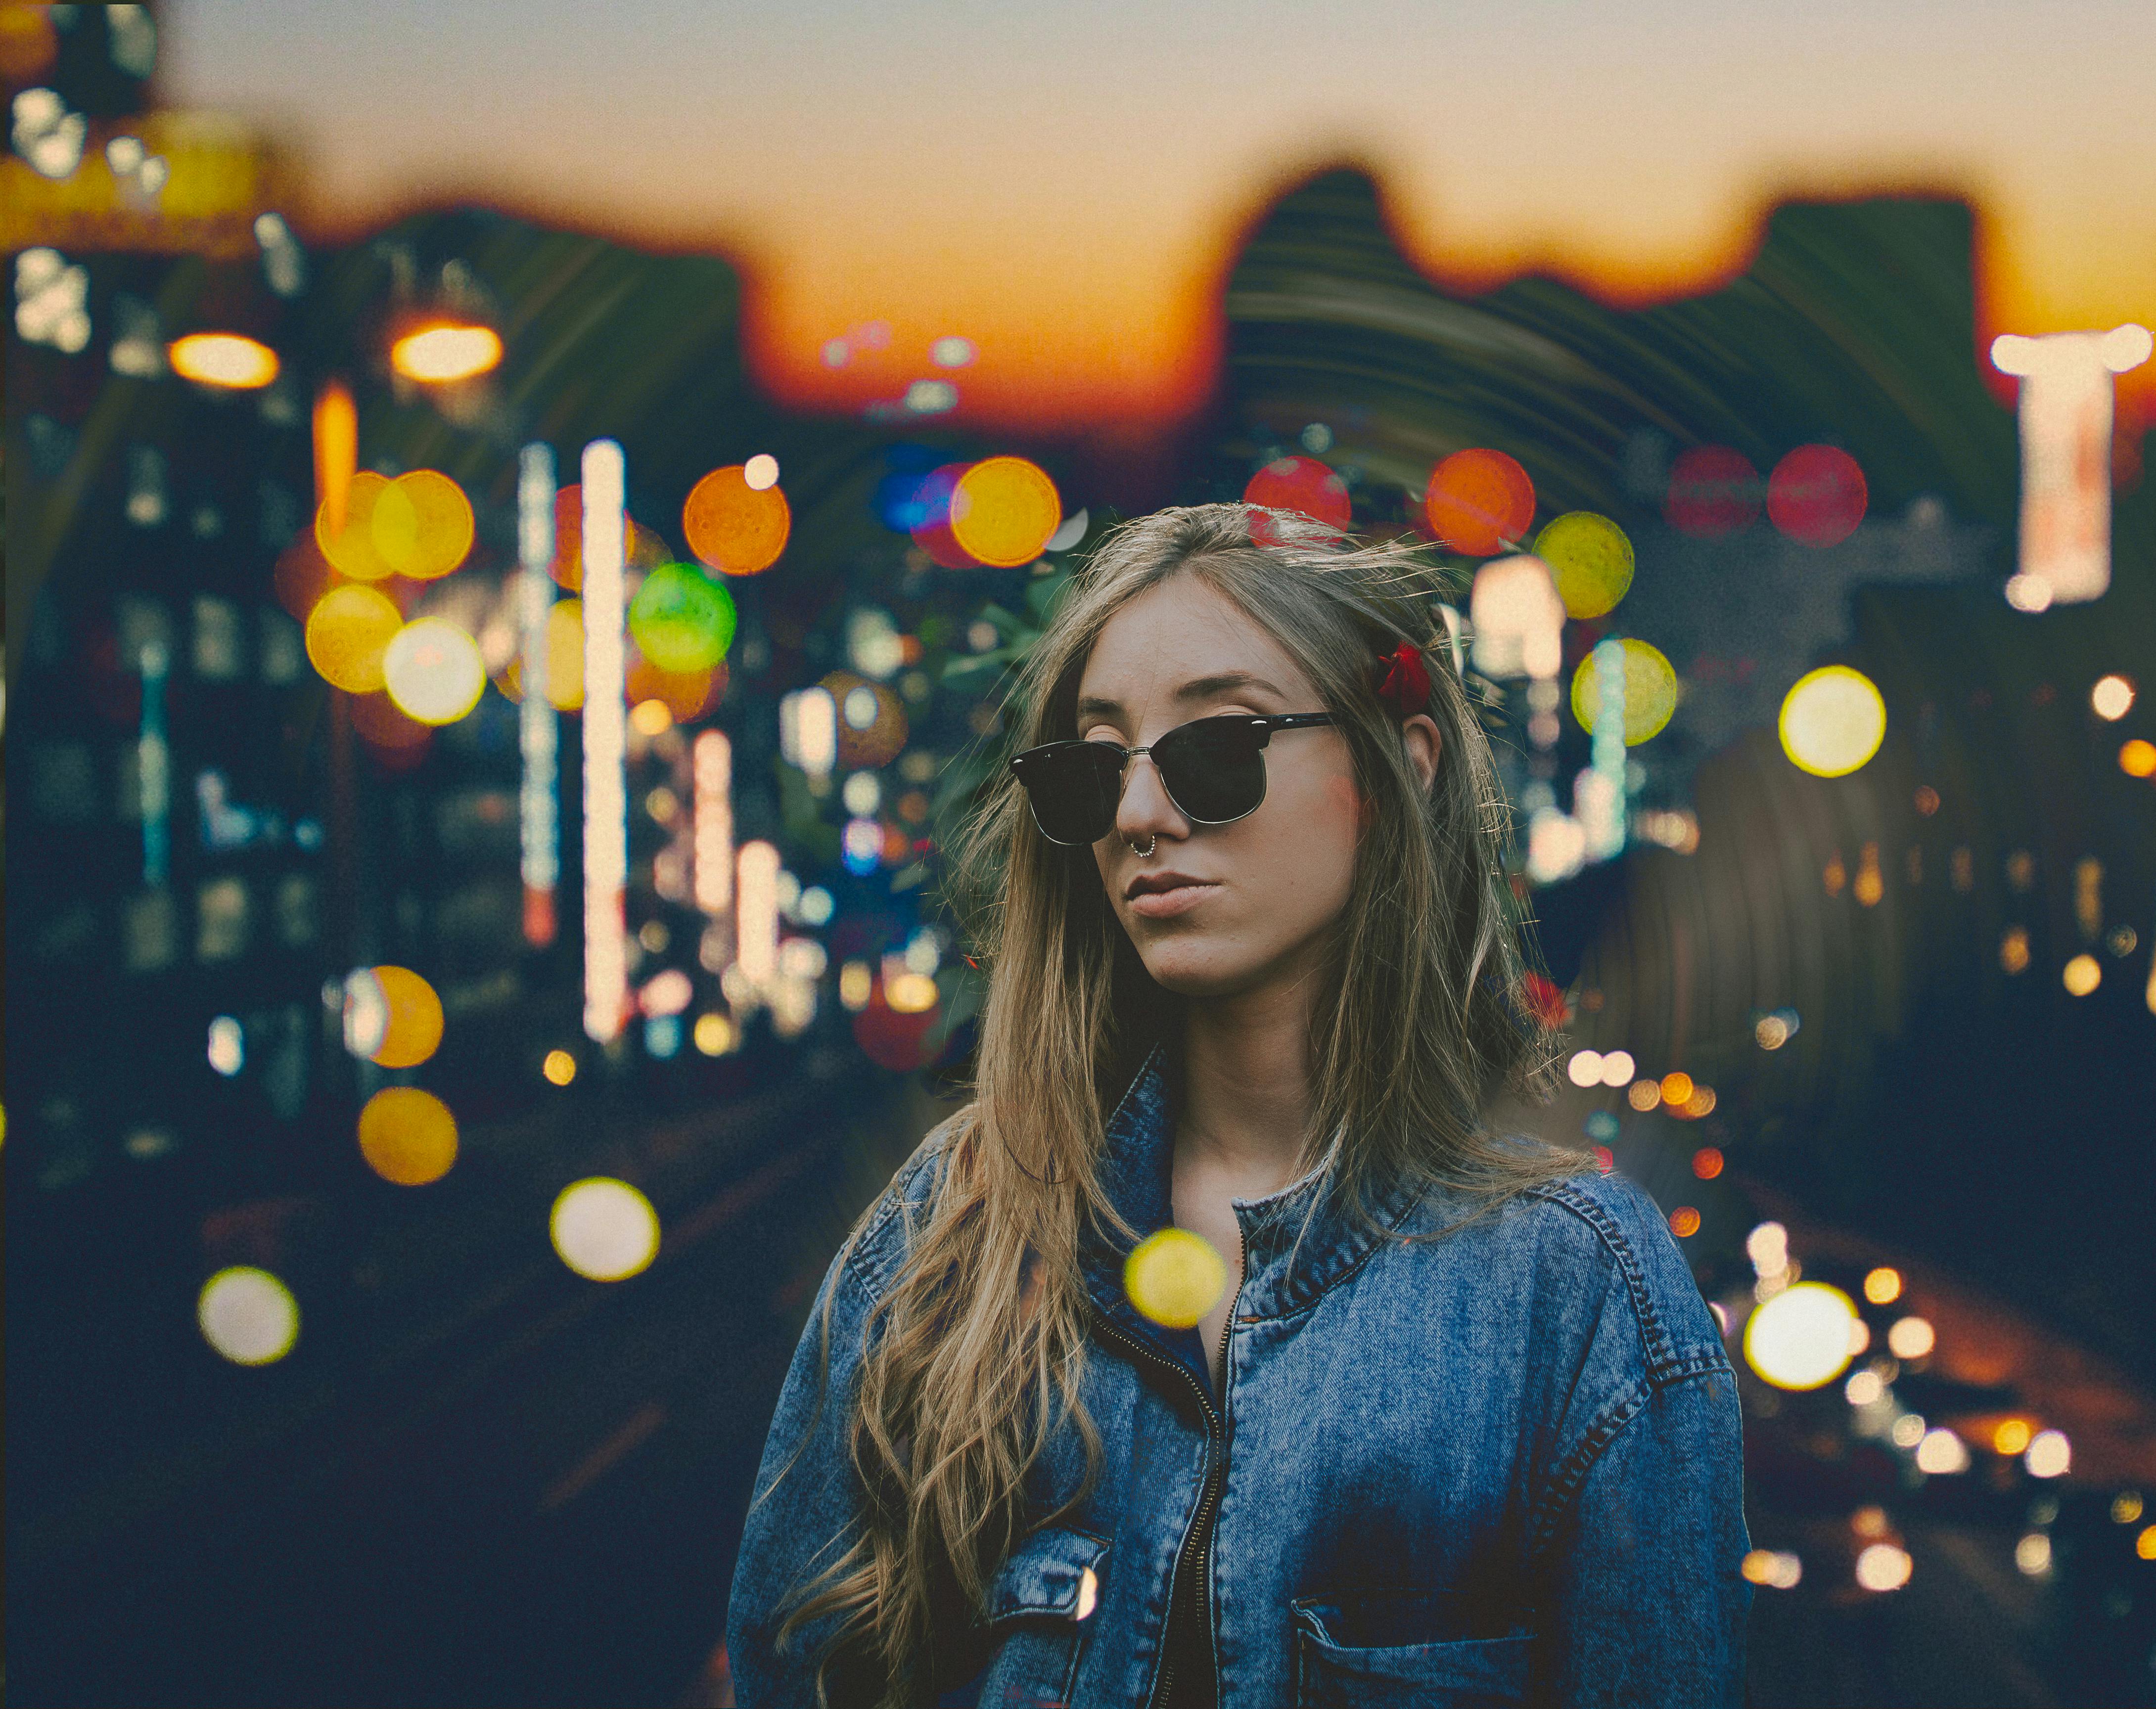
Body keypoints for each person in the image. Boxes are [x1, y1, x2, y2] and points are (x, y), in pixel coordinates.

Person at [726, 503, 1749, 1708]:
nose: (1139, 817)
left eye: (1217, 747)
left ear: (1398, 768)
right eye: (1093, 766)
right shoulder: (943, 1240)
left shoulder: (1576, 1297)